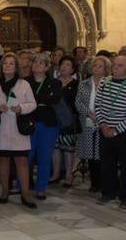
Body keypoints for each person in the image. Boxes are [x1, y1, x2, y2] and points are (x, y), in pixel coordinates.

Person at [0, 52, 38, 207]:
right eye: (5, 63)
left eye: (11, 63)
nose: (8, 66)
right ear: (1, 67)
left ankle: (25, 194)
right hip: (1, 128)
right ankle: (5, 191)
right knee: (3, 161)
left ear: (16, 67)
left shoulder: (24, 84)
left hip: (18, 128)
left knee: (21, 161)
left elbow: (33, 103)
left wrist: (21, 108)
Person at [97, 53, 126, 208]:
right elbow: (98, 105)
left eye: (120, 65)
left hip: (124, 134)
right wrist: (103, 125)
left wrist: (116, 130)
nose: (115, 68)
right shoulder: (104, 82)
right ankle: (108, 192)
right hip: (105, 130)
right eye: (114, 64)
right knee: (106, 165)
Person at [26, 52, 61, 201]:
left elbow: (54, 99)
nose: (37, 65)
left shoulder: (54, 83)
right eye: (35, 62)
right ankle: (23, 186)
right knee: (27, 156)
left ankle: (41, 188)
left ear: (47, 67)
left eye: (41, 62)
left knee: (44, 158)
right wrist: (40, 101)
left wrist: (35, 101)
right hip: (29, 124)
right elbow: (23, 100)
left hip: (48, 125)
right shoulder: (25, 82)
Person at [75, 54, 110, 195]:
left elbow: (111, 103)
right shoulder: (84, 83)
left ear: (105, 69)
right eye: (95, 65)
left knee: (102, 153)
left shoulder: (109, 83)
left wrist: (101, 116)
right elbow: (78, 102)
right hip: (88, 122)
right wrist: (89, 113)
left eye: (100, 66)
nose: (96, 68)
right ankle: (94, 183)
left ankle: (104, 182)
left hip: (104, 122)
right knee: (91, 155)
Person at [51, 55, 80, 188]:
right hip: (53, 119)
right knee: (55, 147)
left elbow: (77, 103)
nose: (64, 67)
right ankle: (56, 173)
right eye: (62, 64)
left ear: (73, 69)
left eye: (68, 65)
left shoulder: (76, 85)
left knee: (68, 148)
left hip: (69, 120)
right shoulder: (53, 82)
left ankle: (69, 174)